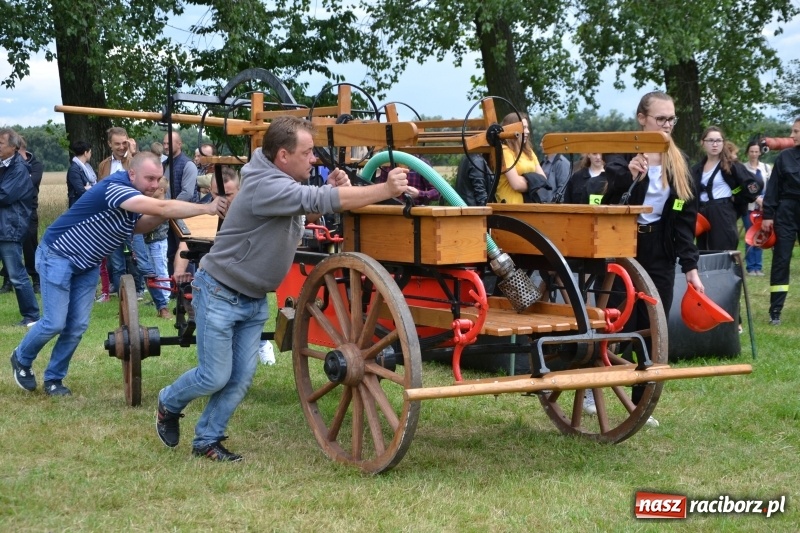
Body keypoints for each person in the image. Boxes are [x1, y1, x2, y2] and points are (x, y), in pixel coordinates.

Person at [155, 116, 409, 462]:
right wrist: (384, 190)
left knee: (240, 379)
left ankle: (207, 440)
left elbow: (306, 212)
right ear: (283, 156)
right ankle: (168, 402)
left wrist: (338, 187)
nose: (314, 159)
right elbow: (316, 200)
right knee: (214, 375)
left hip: (254, 298)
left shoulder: (280, 180)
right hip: (219, 293)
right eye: (307, 153)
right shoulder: (264, 185)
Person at [10, 152, 226, 397]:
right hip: (59, 255)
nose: (155, 185)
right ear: (132, 173)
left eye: (158, 179)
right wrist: (206, 207)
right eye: (149, 179)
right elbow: (162, 206)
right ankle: (21, 358)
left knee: (77, 325)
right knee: (55, 322)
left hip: (88, 262)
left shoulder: (135, 195)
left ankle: (54, 379)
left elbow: (139, 226)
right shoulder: (116, 187)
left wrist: (166, 213)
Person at [597, 91, 705, 426]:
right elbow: (601, 199)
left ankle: (641, 402)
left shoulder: (679, 162)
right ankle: (590, 386)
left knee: (653, 326)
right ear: (642, 118)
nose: (667, 125)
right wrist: (628, 176)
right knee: (615, 320)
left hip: (660, 250)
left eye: (672, 119)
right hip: (623, 247)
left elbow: (685, 220)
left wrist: (690, 269)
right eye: (661, 119)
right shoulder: (621, 155)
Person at [761, 117, 800, 326]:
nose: (792, 135)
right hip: (786, 212)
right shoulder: (785, 157)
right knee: (781, 261)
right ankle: (775, 311)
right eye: (792, 131)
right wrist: (768, 215)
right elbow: (773, 188)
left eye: (796, 132)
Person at [0, 128, 40, 327]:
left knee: (16, 274)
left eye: (0, 143)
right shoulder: (3, 166)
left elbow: (4, 195)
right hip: (3, 225)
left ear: (14, 147)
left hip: (9, 227)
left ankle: (32, 315)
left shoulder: (19, 169)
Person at [691, 126, 740, 252]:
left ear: (723, 143)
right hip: (701, 214)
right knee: (703, 250)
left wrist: (735, 197)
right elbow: (684, 195)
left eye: (718, 141)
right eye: (710, 140)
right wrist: (676, 210)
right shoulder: (695, 169)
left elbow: (746, 186)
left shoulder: (730, 166)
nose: (715, 144)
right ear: (703, 143)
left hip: (722, 212)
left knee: (723, 250)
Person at [495, 112, 547, 203]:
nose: (527, 131)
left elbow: (543, 180)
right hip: (511, 206)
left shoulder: (529, 151)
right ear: (513, 129)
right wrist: (534, 182)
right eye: (524, 128)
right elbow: (516, 185)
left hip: (530, 205)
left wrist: (525, 180)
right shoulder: (505, 151)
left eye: (527, 127)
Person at [145, 177, 174, 319]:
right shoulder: (154, 204)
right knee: (152, 270)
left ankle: (166, 296)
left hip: (159, 242)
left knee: (161, 268)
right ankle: (157, 295)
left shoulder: (163, 206)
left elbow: (154, 225)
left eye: (155, 188)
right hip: (149, 242)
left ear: (161, 190)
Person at [742, 140, 772, 276]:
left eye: (756, 151)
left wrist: (766, 202)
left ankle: (758, 266)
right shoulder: (743, 168)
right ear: (748, 152)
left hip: (763, 208)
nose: (754, 154)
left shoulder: (766, 168)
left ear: (760, 152)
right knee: (750, 235)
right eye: (751, 151)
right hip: (749, 207)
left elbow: (772, 187)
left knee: (760, 236)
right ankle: (750, 267)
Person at [163, 131, 198, 203]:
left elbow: (187, 194)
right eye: (164, 143)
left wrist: (170, 207)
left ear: (179, 145)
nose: (165, 147)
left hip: (182, 212)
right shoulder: (164, 164)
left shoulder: (188, 165)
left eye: (169, 144)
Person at [67, 140, 95, 207]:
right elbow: (81, 191)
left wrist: (88, 187)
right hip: (78, 205)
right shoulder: (74, 170)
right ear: (85, 153)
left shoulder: (87, 168)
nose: (91, 154)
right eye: (90, 152)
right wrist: (92, 187)